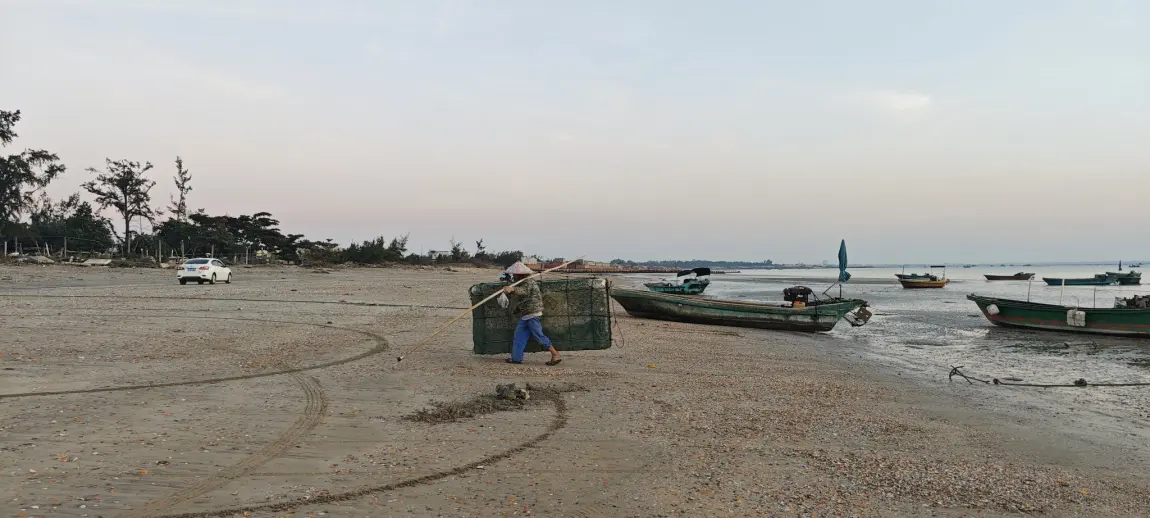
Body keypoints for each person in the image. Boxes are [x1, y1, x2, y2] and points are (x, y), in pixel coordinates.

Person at [501, 262, 561, 366]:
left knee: (539, 335)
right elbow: (524, 299)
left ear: (520, 274)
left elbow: (523, 291)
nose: (514, 276)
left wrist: (512, 289)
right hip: (526, 315)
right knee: (519, 336)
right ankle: (516, 358)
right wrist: (517, 309)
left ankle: (555, 354)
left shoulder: (528, 282)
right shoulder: (523, 282)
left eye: (515, 274)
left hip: (533, 314)